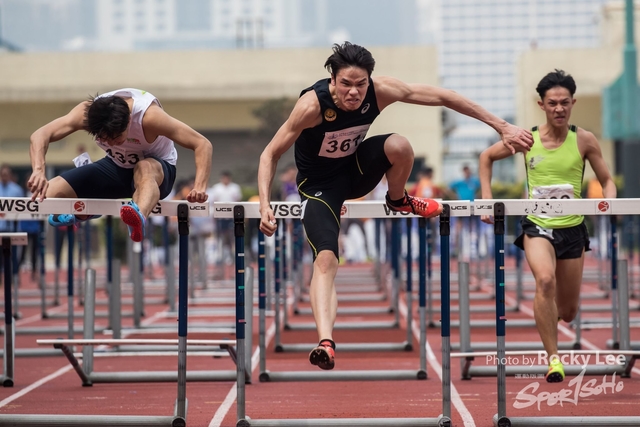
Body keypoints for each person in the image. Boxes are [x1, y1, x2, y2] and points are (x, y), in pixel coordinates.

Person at [257, 41, 533, 370]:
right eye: (345, 84)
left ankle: (398, 198)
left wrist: (501, 126)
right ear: (332, 80)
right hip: (319, 187)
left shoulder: (382, 90)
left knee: (400, 145)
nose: (353, 93)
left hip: (357, 172)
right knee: (327, 259)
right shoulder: (311, 106)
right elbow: (269, 154)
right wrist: (263, 203)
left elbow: (445, 97)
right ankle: (326, 342)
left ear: (369, 82)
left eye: (361, 85)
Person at [478, 69, 616, 383]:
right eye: (552, 103)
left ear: (573, 103)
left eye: (564, 103)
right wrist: (487, 198)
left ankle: (548, 319)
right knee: (544, 281)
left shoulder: (583, 139)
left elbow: (607, 179)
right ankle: (554, 359)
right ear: (541, 105)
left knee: (568, 311)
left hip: (573, 229)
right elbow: (486, 157)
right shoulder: (528, 139)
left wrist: (608, 202)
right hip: (537, 224)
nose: (558, 109)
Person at [27, 88, 212, 242]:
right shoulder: (87, 113)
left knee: (144, 167)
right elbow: (40, 134)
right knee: (48, 194)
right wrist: (38, 170)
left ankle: (138, 217)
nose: (112, 143)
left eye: (116, 138)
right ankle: (88, 212)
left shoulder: (149, 116)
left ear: (129, 123)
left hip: (156, 174)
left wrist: (200, 186)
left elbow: (202, 144)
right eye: (103, 138)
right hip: (115, 168)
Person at [207, 171, 242, 268]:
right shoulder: (216, 188)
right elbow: (213, 202)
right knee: (220, 238)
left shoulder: (235, 188)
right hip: (220, 217)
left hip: (231, 217)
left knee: (231, 238)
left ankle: (232, 256)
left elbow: (238, 201)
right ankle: (220, 256)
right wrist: (214, 216)